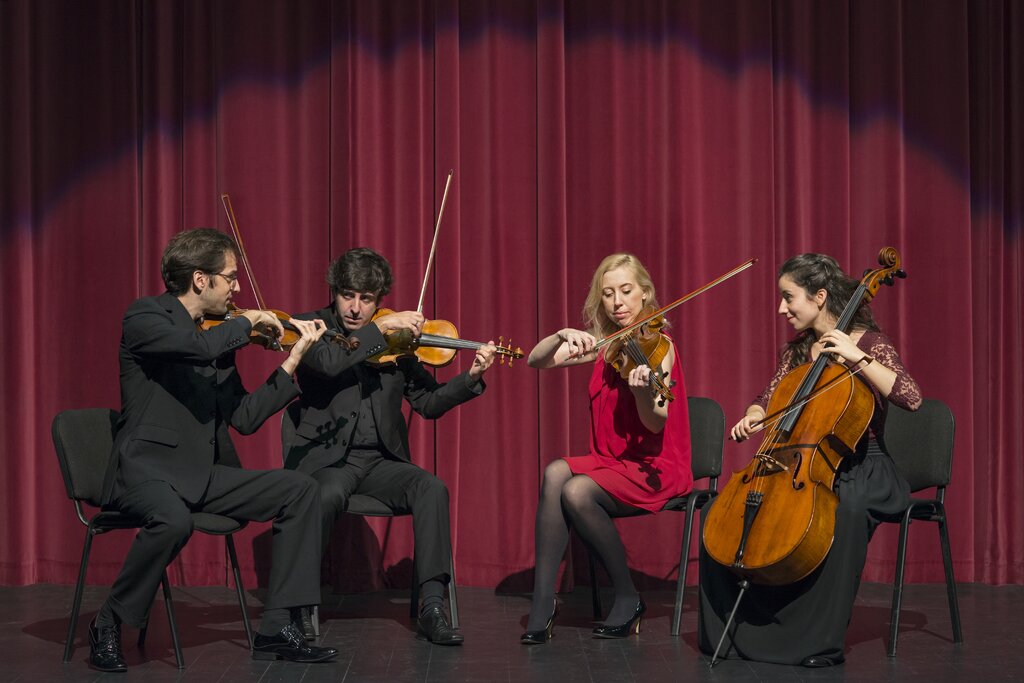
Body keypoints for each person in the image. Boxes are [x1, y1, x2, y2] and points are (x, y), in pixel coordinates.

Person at [89, 228, 338, 673]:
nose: (237, 288)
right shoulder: (145, 316)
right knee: (173, 519)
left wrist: (294, 358)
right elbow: (193, 347)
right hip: (147, 471)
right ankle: (109, 620)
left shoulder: (219, 337)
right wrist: (245, 323)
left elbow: (243, 418)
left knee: (300, 490)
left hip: (201, 475)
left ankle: (278, 627)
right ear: (201, 279)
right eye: (231, 277)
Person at [698, 252, 922, 667]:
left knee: (844, 512)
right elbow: (768, 397)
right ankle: (736, 631)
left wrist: (856, 356)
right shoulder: (799, 350)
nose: (781, 309)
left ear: (819, 297)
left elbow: (911, 397)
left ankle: (818, 641)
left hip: (865, 467)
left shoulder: (868, 343)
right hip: (802, 465)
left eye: (789, 297)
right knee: (718, 511)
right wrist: (754, 415)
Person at [286, 247, 497, 646]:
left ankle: (432, 607)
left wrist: (470, 378)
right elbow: (330, 362)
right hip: (329, 463)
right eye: (348, 295)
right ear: (334, 292)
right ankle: (298, 603)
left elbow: (428, 403)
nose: (355, 308)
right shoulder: (312, 327)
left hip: (379, 463)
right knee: (324, 494)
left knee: (431, 488)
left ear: (379, 300)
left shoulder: (397, 344)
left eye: (366, 299)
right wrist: (379, 329)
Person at [522, 253, 693, 643]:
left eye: (626, 291)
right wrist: (561, 335)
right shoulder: (607, 346)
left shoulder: (659, 347)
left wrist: (642, 394)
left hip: (655, 466)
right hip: (611, 462)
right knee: (555, 471)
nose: (617, 302)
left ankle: (628, 596)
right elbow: (536, 361)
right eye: (608, 293)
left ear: (645, 293)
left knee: (576, 490)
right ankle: (543, 599)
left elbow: (656, 422)